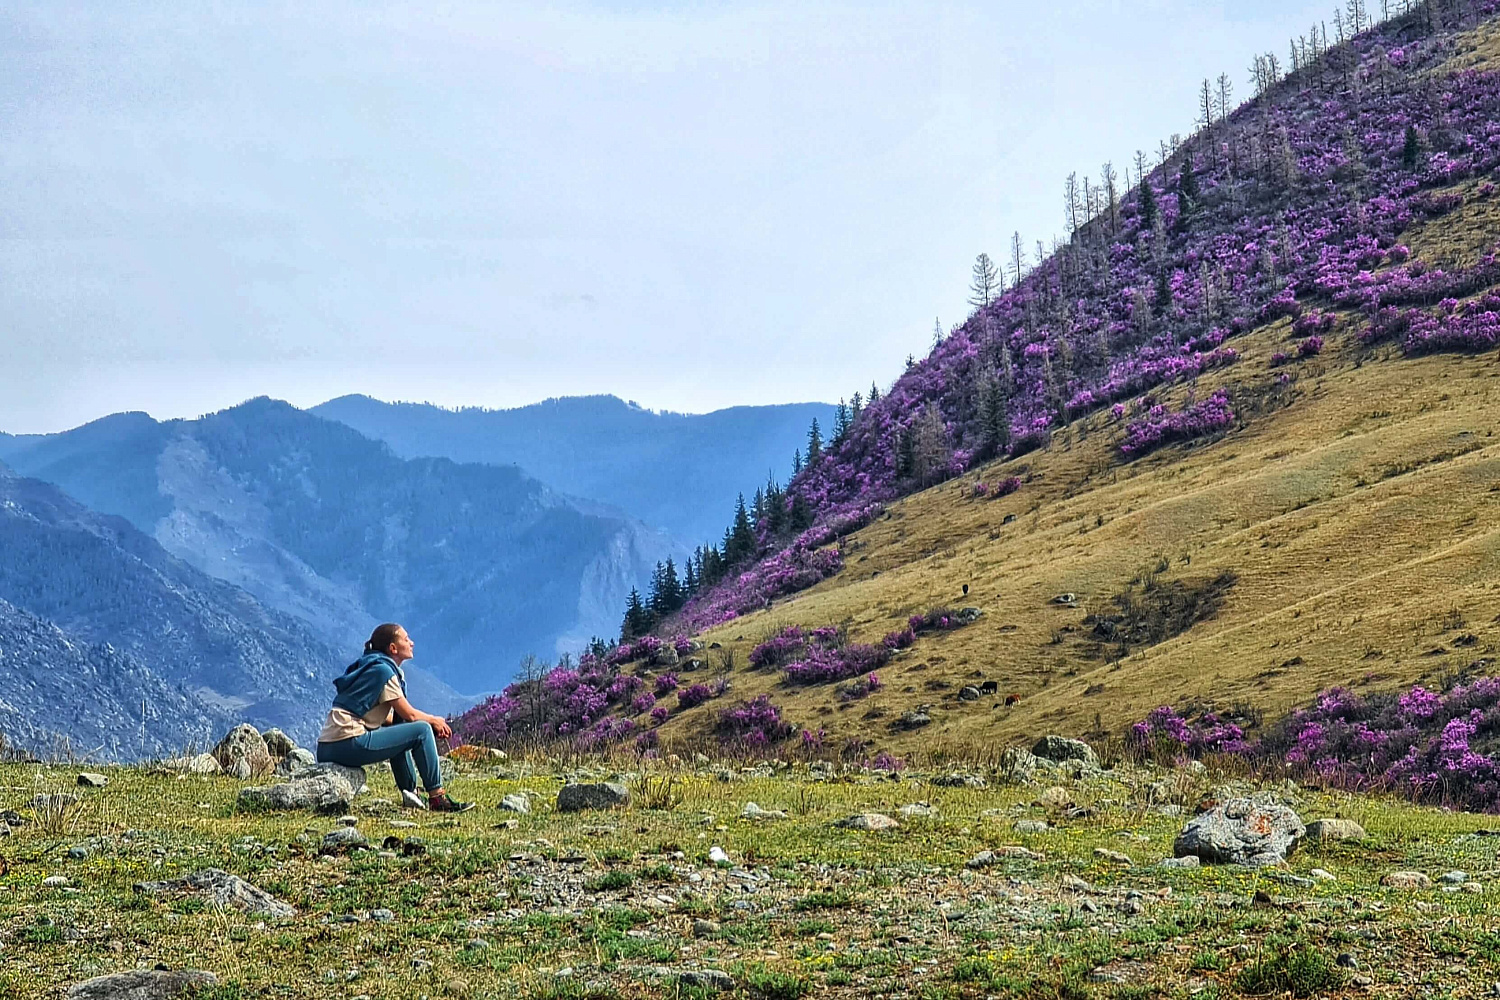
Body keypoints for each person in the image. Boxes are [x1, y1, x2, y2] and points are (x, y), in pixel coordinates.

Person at [315, 623, 473, 812]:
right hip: (349, 741)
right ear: (393, 648)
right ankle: (438, 797)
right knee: (421, 730)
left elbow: (388, 718)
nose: (412, 643)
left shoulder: (370, 666)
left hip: (327, 747)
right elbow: (411, 714)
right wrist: (434, 720)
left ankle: (411, 794)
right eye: (406, 639)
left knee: (401, 729)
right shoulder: (384, 671)